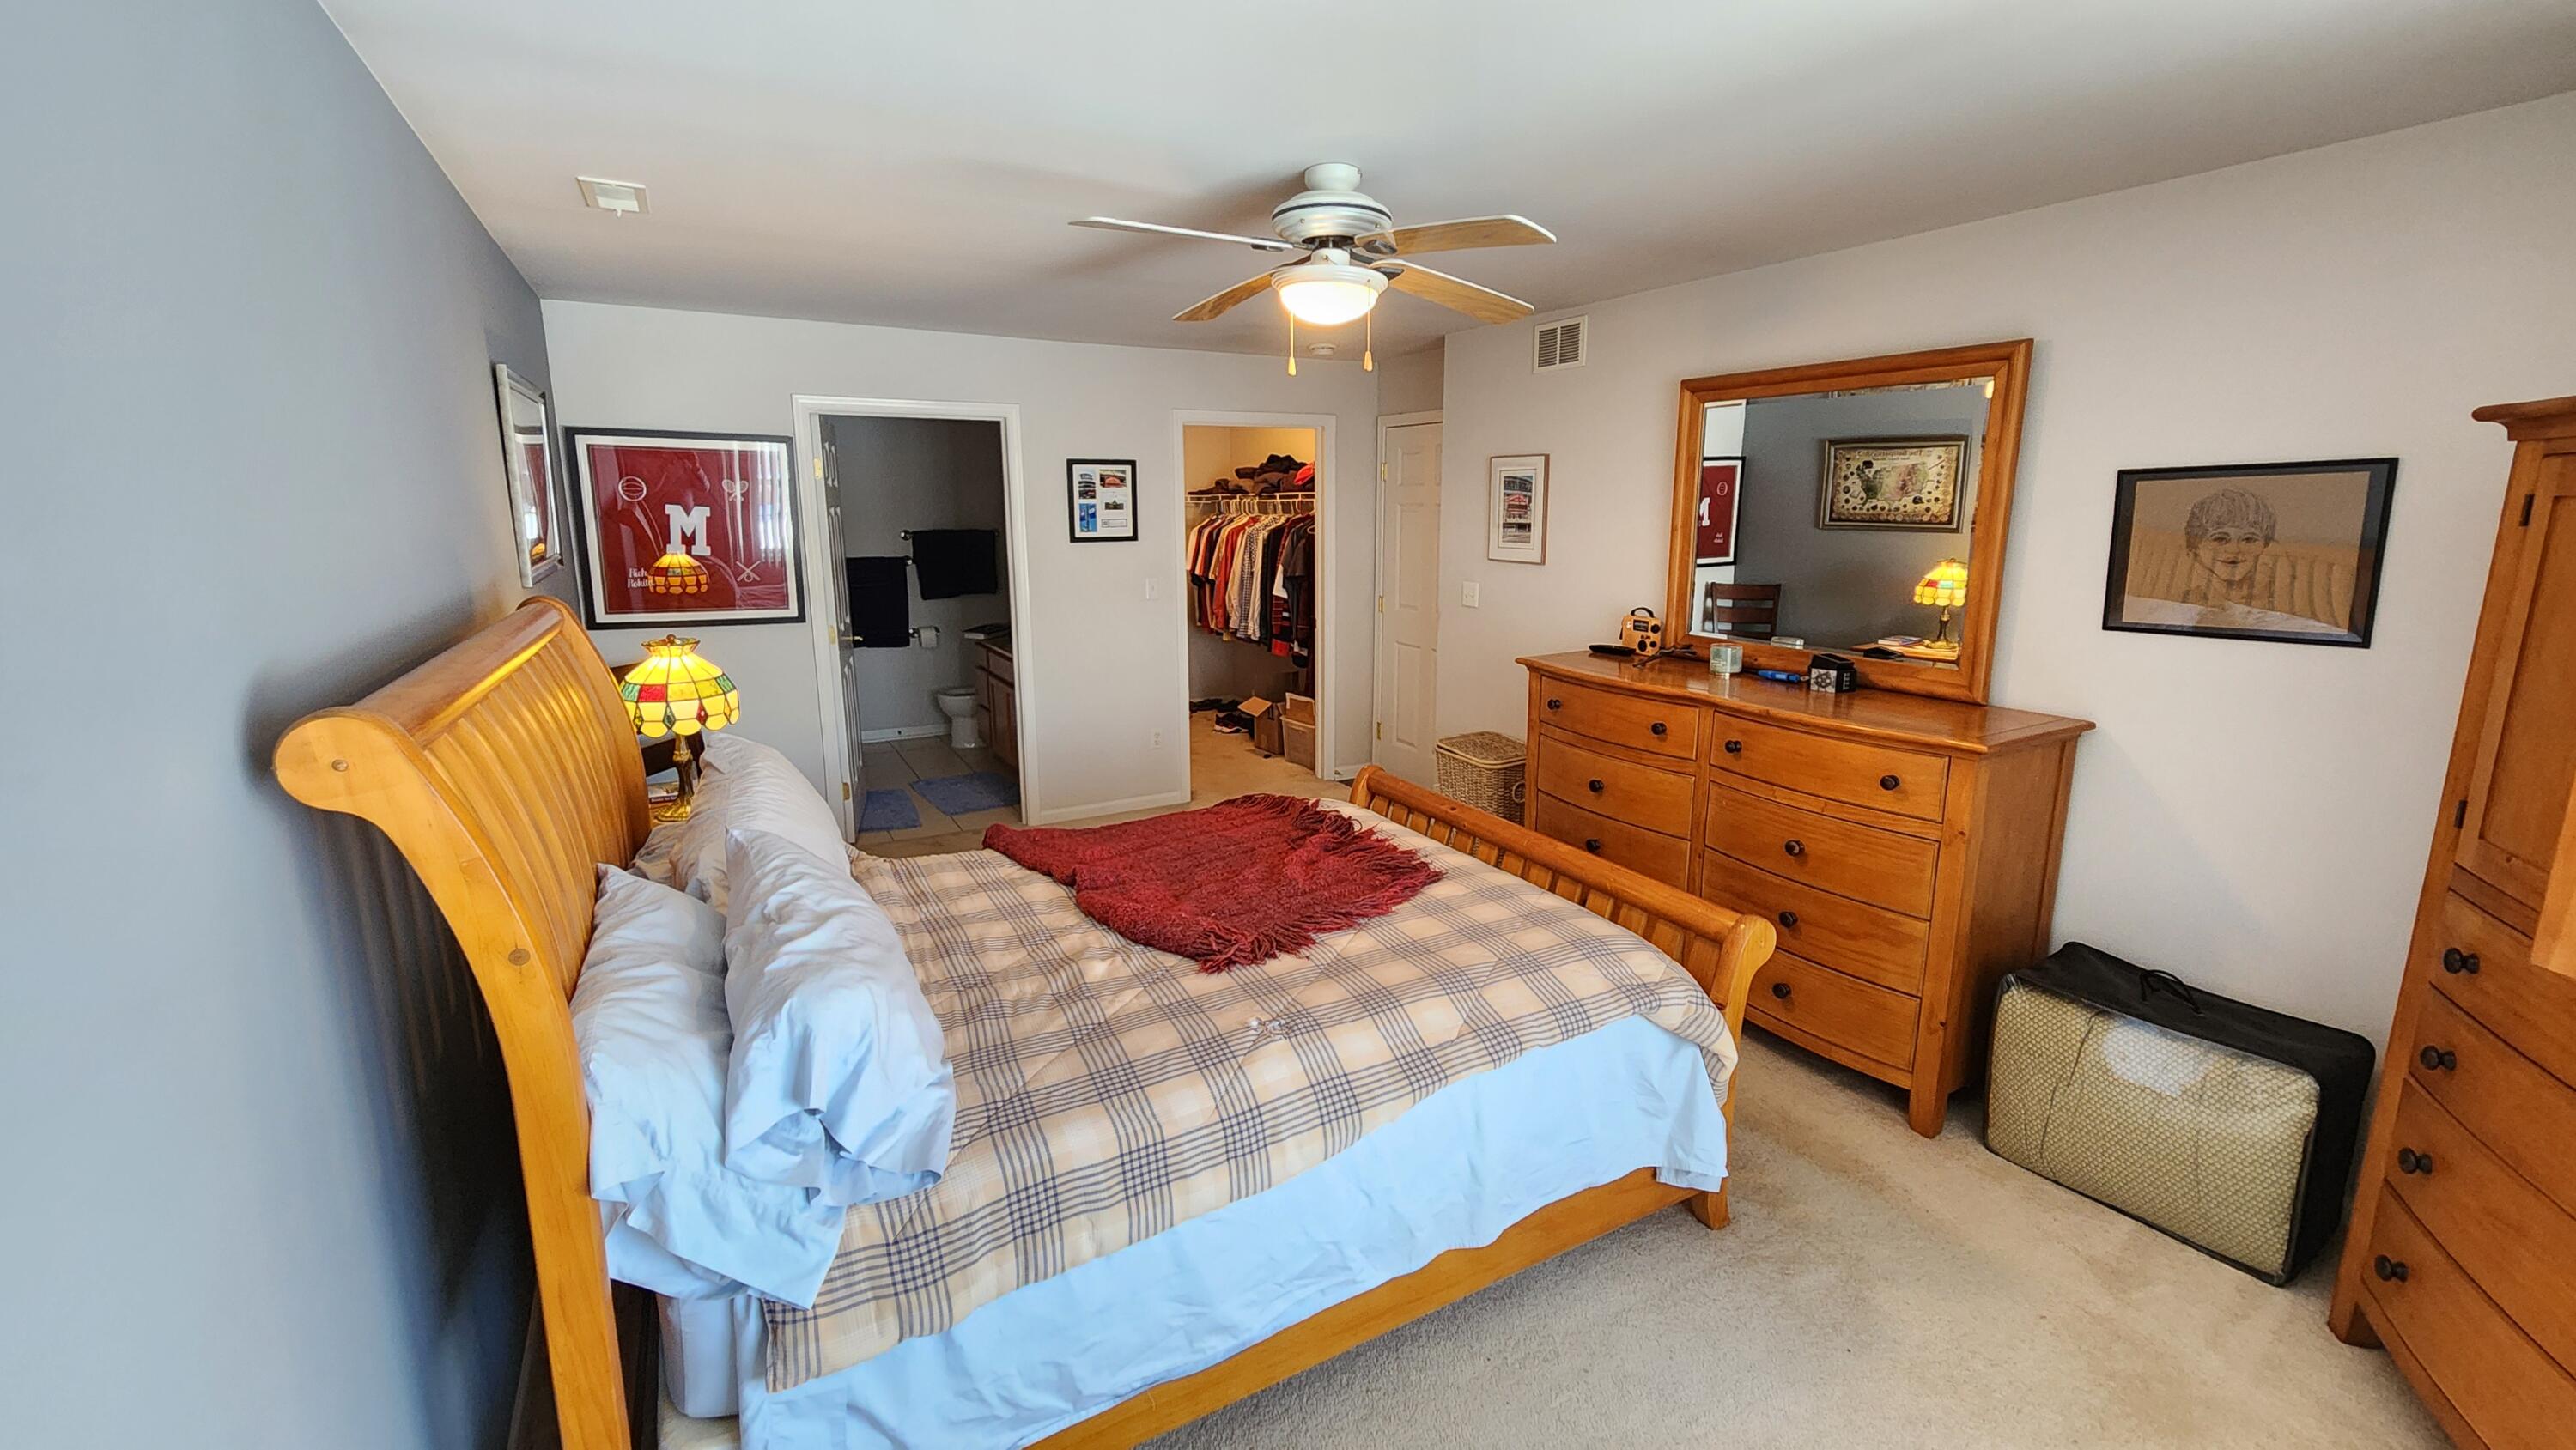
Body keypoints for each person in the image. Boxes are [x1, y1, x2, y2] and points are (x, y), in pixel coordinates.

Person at [2124, 486, 2340, 634]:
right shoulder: (2183, 602)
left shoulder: (2282, 598)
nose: (2235, 549)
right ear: (2194, 549)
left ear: (2264, 546)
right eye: (2219, 538)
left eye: (2249, 539)